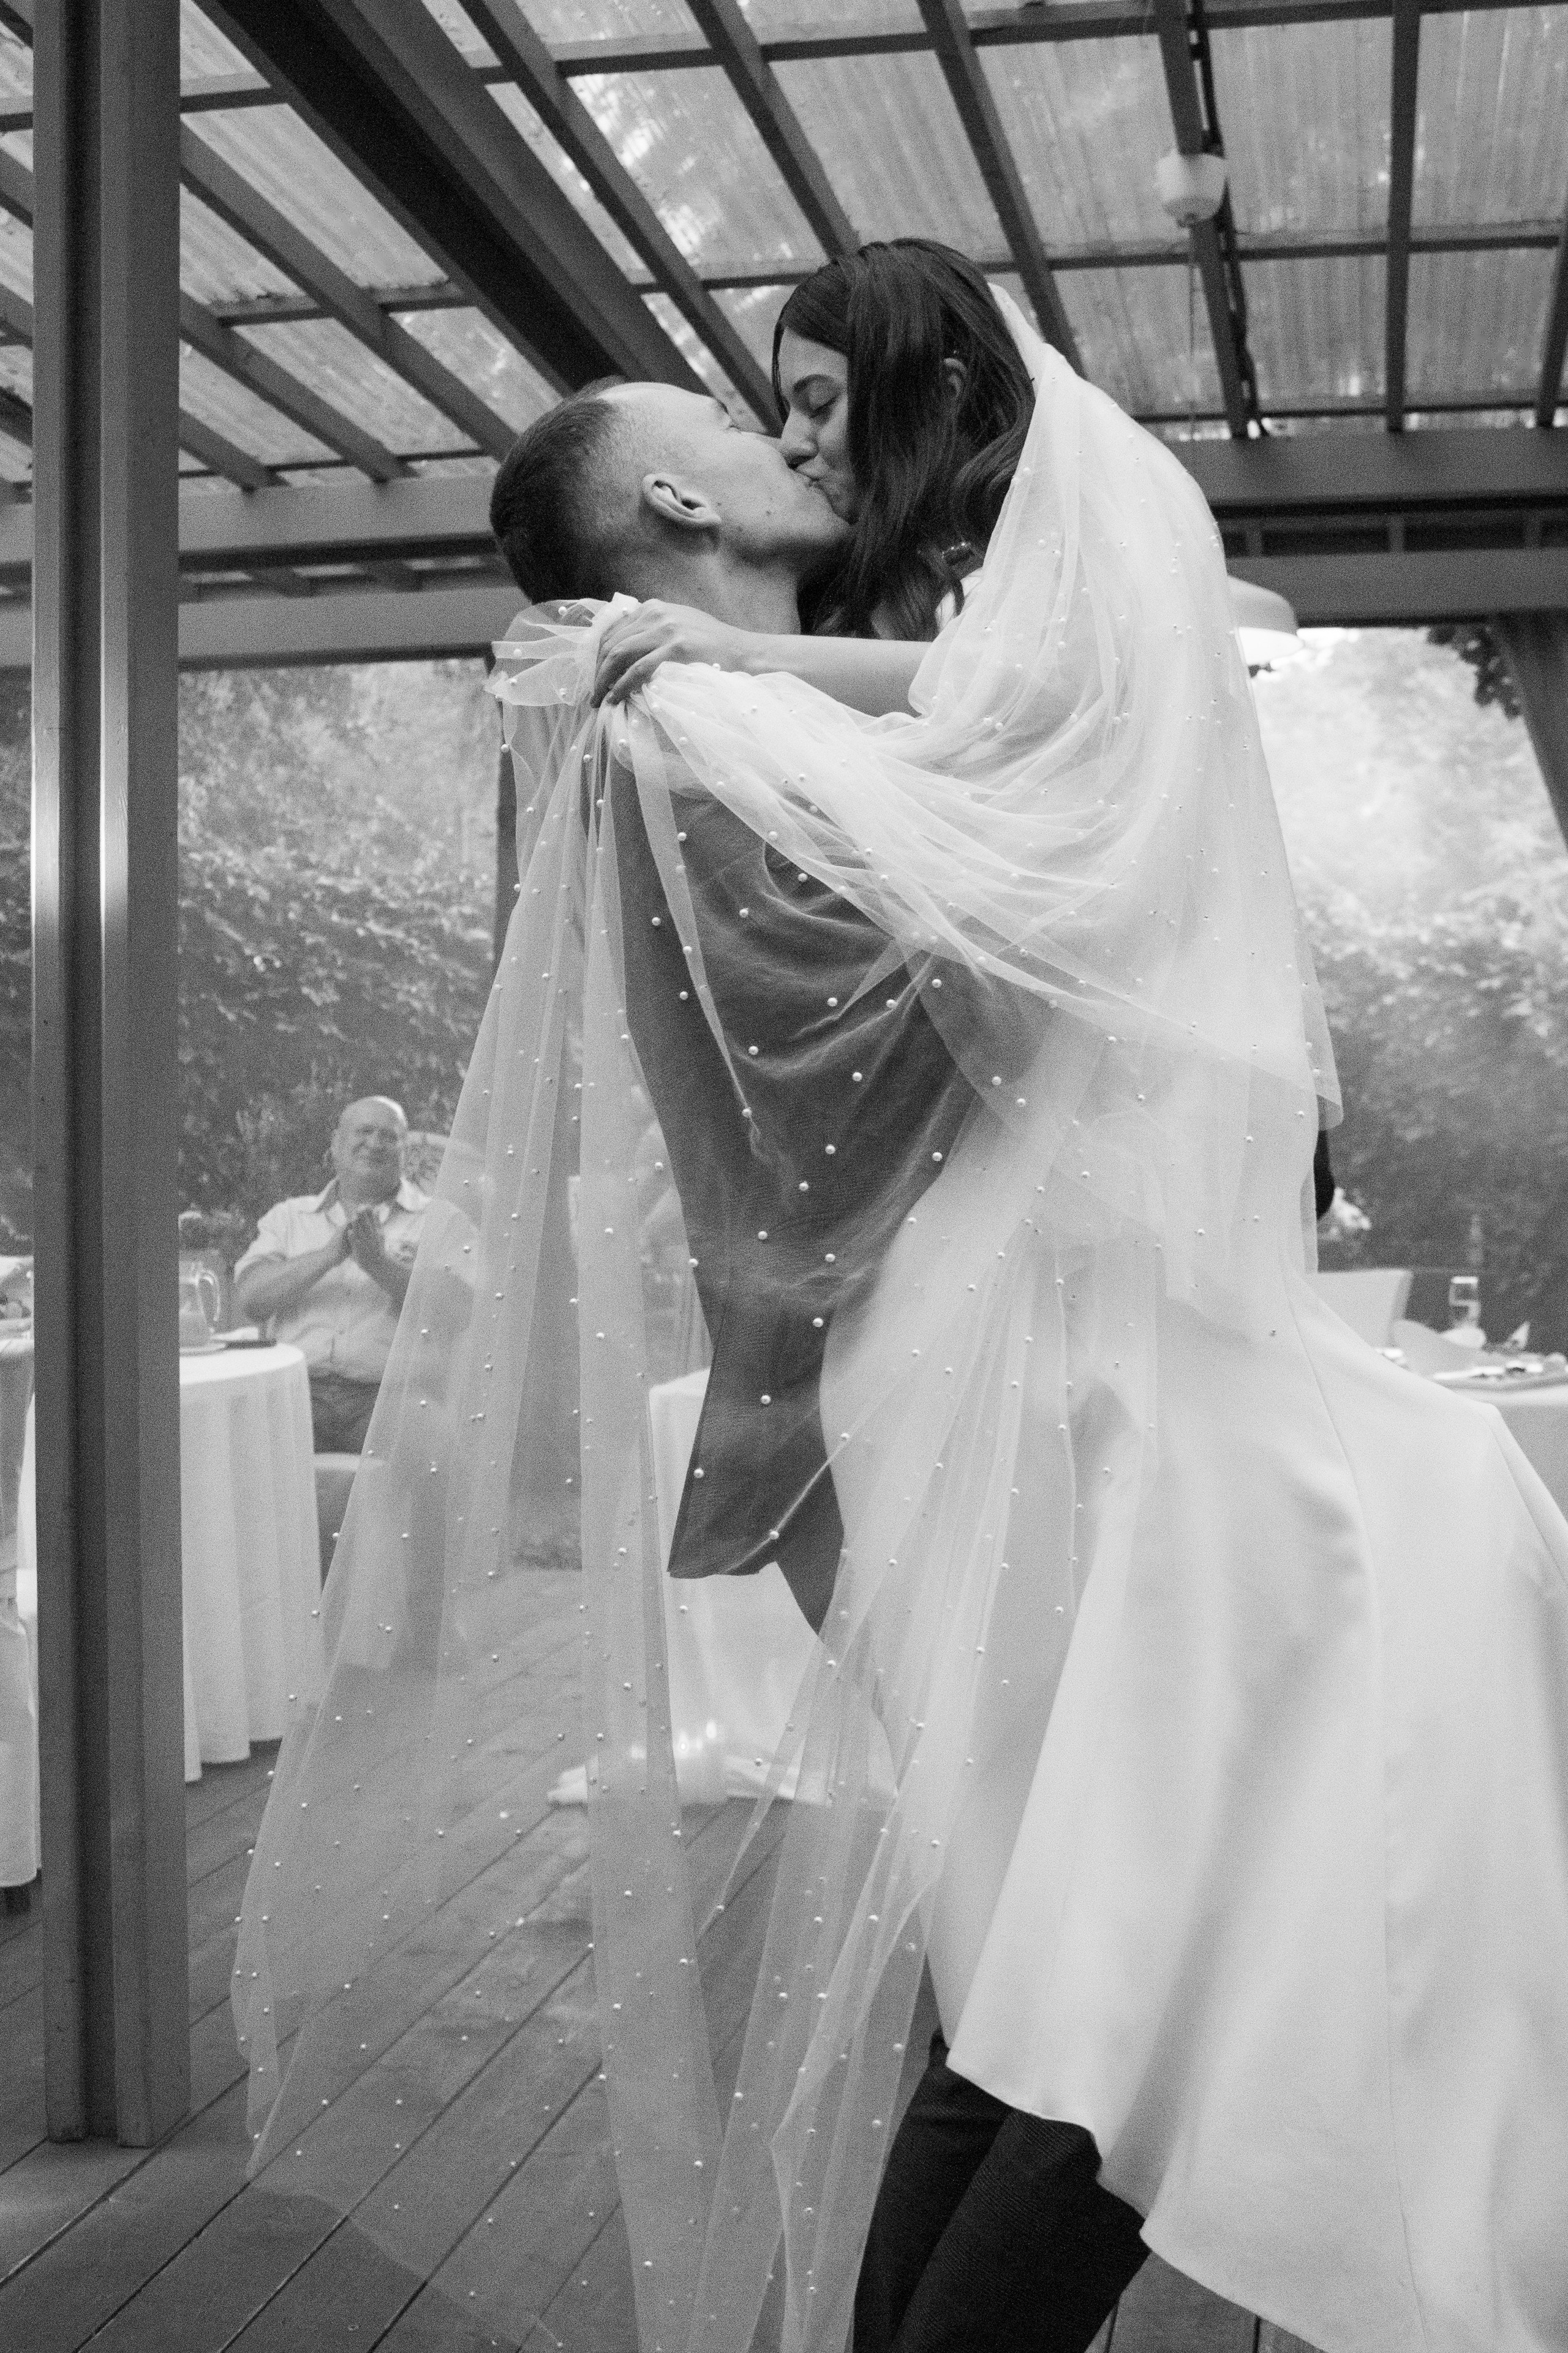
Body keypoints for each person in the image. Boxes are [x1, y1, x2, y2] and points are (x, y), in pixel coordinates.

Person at [233, 263, 1568, 2353]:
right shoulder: (698, 717)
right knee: (1119, 1966)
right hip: (982, 1363)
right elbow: (1002, 891)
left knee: (1035, 1978)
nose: (774, 441)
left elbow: (1001, 783)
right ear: (661, 513)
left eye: (807, 401)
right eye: (732, 421)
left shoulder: (756, 702)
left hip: (975, 1357)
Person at [233, 1095, 428, 1453]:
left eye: (389, 1136)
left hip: (390, 1402)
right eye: (364, 1132)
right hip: (293, 1396)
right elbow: (252, 1300)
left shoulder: (437, 1221)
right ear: (336, 1145)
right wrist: (328, 1256)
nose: (374, 1144)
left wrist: (378, 1264)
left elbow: (454, 1312)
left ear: (407, 1154)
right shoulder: (289, 1217)